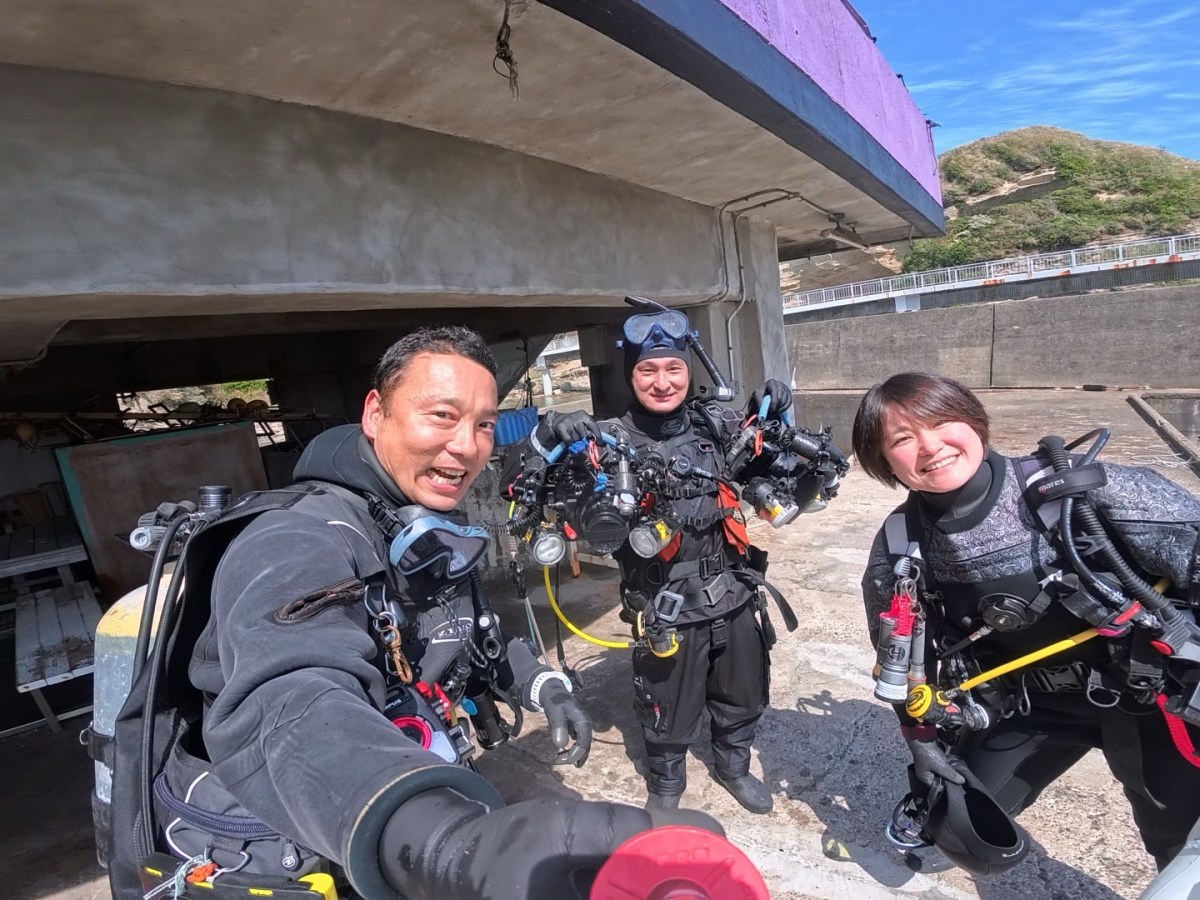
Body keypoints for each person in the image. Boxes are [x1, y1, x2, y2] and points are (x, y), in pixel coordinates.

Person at [106, 325, 718, 900]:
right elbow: (287, 700)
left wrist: (542, 685)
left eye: (483, 424)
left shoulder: (420, 524)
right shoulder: (295, 539)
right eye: (442, 416)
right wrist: (434, 835)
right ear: (376, 414)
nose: (467, 445)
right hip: (317, 838)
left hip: (416, 777)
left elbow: (471, 633)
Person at [852, 372, 1200, 875]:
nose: (930, 446)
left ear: (973, 420)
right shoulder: (901, 543)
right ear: (883, 462)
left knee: (1181, 854)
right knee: (954, 824)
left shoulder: (1073, 489)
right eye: (902, 439)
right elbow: (899, 660)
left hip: (1148, 701)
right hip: (1029, 706)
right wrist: (919, 741)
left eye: (942, 421)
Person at [504, 305, 843, 814]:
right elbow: (516, 484)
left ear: (689, 372)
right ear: (631, 375)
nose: (662, 382)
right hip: (664, 607)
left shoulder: (718, 427)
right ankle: (666, 785)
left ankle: (732, 766)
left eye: (673, 369)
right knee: (667, 707)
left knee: (744, 694)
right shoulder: (606, 440)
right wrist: (547, 433)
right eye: (648, 370)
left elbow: (792, 477)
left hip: (734, 594)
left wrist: (778, 414)